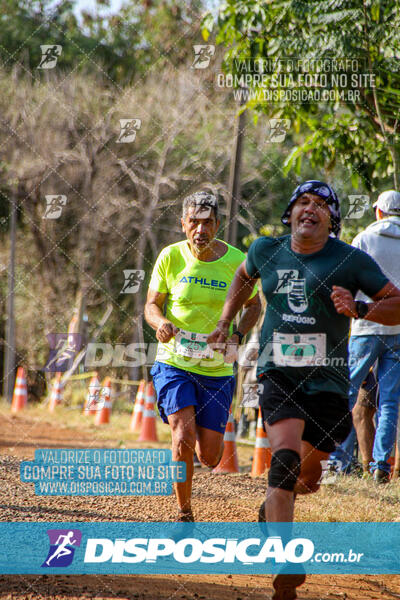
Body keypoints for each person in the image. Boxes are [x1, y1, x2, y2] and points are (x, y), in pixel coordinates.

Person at [207, 180, 400, 600]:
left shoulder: (351, 260)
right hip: (279, 374)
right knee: (285, 458)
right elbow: (243, 278)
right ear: (290, 213)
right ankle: (284, 559)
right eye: (303, 202)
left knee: (307, 478)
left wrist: (361, 308)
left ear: (332, 219)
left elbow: (397, 302)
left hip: (330, 381)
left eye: (321, 205)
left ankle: (272, 509)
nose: (310, 209)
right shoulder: (265, 250)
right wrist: (225, 321)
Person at [144, 191, 260, 522]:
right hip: (174, 362)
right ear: (183, 224)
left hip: (216, 368)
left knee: (210, 456)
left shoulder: (237, 261)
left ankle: (198, 442)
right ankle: (184, 512)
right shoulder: (170, 257)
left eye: (207, 222)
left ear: (218, 225)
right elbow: (151, 305)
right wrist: (161, 322)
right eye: (193, 222)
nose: (200, 229)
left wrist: (237, 336)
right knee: (182, 436)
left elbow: (254, 305)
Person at [329, 190, 400, 483]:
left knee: (347, 392)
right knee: (390, 400)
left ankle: (339, 460)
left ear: (379, 212)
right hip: (397, 330)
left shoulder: (363, 239)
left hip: (365, 327)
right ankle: (381, 466)